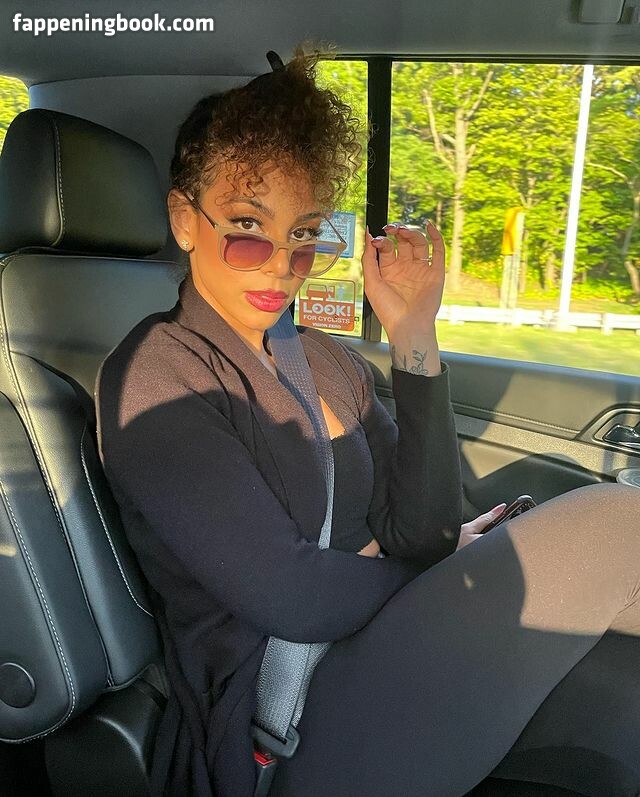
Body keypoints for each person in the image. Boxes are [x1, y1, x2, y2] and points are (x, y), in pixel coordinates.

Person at [96, 47, 640, 797]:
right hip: (277, 713)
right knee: (619, 521)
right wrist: (434, 573)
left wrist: (414, 333)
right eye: (248, 227)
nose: (280, 264)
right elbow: (291, 596)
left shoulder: (323, 359)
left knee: (618, 687)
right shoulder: (157, 377)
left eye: (305, 235)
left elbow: (424, 529)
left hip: (369, 642)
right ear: (185, 220)